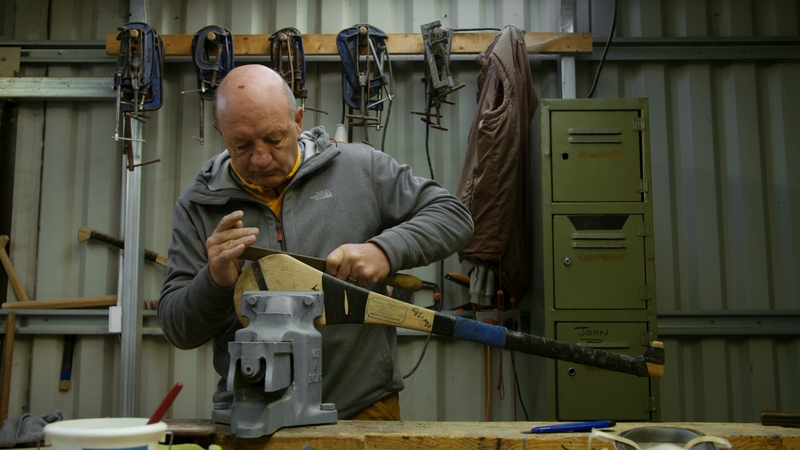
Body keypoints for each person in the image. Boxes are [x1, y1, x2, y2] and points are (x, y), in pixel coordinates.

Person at [157, 64, 474, 420]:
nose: (260, 158)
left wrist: (384, 250)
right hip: (250, 417)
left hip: (362, 409)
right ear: (220, 132)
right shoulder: (199, 204)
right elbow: (177, 329)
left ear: (298, 120)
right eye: (241, 145)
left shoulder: (360, 168)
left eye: (275, 138)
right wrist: (213, 282)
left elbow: (452, 215)